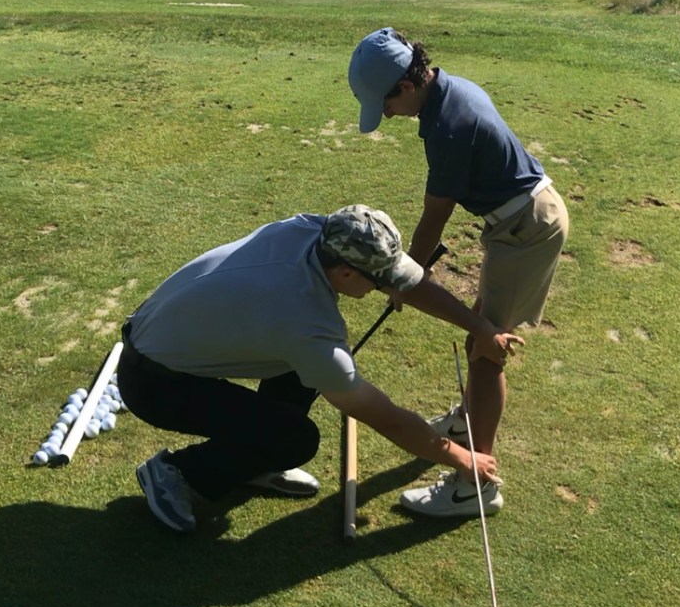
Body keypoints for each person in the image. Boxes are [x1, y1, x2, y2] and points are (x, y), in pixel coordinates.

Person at [117, 204, 524, 532]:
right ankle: (176, 474)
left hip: (158, 334)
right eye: (381, 282)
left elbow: (407, 284)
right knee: (296, 440)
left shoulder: (316, 231)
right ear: (346, 273)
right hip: (153, 382)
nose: (387, 290)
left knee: (295, 381)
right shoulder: (307, 326)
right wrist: (461, 458)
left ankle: (252, 461)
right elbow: (387, 418)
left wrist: (479, 327)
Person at [348, 27, 569, 517]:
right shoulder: (447, 89)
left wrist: (406, 277)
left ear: (405, 87)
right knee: (480, 338)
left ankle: (476, 484)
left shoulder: (448, 124)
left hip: (526, 229)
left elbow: (434, 217)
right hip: (518, 220)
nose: (384, 114)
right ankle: (466, 420)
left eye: (383, 105)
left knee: (487, 348)